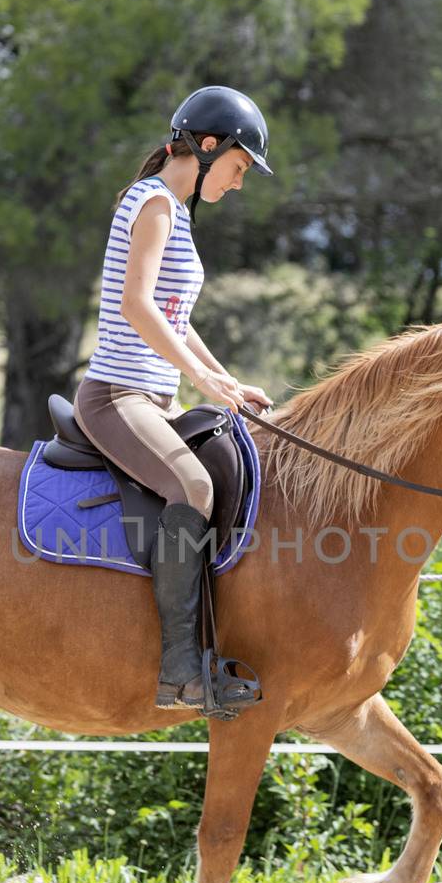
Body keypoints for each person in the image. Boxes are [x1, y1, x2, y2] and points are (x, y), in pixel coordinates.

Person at [72, 85, 275, 713]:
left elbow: (174, 316)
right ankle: (181, 672)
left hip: (154, 396)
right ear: (208, 147)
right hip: (116, 396)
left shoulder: (176, 212)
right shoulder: (155, 203)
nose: (239, 183)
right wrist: (202, 381)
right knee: (193, 488)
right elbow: (136, 305)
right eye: (240, 167)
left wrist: (224, 379)